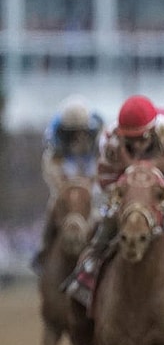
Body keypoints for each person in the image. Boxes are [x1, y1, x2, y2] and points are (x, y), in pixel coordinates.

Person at [63, 95, 164, 306]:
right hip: (128, 188)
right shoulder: (112, 142)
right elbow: (106, 179)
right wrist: (123, 197)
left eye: (142, 138)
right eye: (131, 140)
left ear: (153, 132)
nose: (138, 145)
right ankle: (92, 263)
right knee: (108, 215)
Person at [33, 94, 104, 274]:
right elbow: (54, 178)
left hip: (94, 196)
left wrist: (90, 189)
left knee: (104, 215)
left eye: (81, 132)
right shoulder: (54, 153)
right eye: (72, 133)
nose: (78, 137)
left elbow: (102, 174)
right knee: (52, 207)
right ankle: (44, 248)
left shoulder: (100, 148)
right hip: (66, 195)